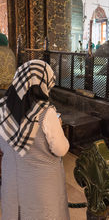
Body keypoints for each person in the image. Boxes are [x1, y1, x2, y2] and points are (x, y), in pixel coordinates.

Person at [0, 59, 70, 220]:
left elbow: (3, 146)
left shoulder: (3, 109)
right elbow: (61, 149)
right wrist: (58, 126)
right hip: (40, 187)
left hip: (12, 180)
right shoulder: (47, 113)